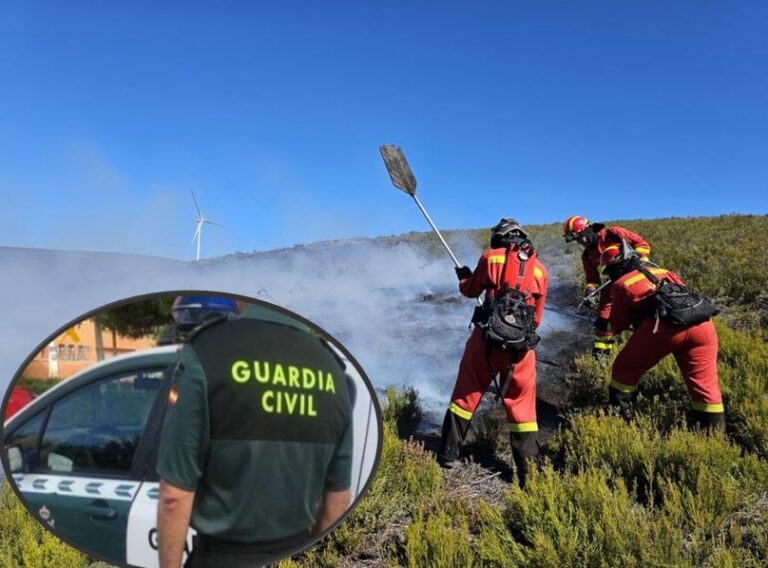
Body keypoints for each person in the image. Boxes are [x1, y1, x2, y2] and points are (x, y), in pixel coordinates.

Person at [156, 300, 355, 568]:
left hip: (221, 558)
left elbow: (174, 497)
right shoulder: (332, 369)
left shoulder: (209, 350)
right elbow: (338, 500)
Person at [436, 219, 549, 487]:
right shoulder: (541, 271)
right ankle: (527, 476)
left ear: (498, 238)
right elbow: (537, 319)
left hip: (485, 342)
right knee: (522, 409)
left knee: (465, 395)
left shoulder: (491, 258)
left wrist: (463, 276)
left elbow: (470, 290)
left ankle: (447, 457)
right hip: (520, 351)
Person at [600, 244, 724, 429]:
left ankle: (619, 419)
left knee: (624, 368)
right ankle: (713, 434)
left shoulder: (621, 283)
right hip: (703, 325)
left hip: (663, 327)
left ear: (617, 266)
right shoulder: (664, 271)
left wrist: (604, 325)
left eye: (609, 271)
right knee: (705, 383)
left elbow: (619, 324)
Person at [562, 215, 651, 360]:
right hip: (609, 291)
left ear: (588, 230)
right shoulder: (587, 255)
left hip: (636, 281)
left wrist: (637, 261)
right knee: (603, 323)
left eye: (579, 237)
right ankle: (602, 357)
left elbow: (642, 245)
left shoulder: (614, 233)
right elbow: (592, 279)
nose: (579, 242)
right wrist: (591, 292)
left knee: (643, 318)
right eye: (575, 240)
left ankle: (646, 353)